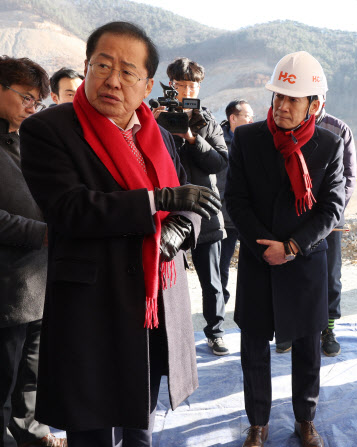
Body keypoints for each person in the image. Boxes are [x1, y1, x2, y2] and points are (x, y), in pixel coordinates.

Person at [19, 22, 221, 446]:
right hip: (92, 304)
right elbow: (70, 208)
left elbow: (196, 204)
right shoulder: (50, 129)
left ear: (147, 85)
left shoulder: (162, 137)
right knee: (90, 423)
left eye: (127, 71)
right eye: (102, 65)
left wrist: (178, 231)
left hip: (154, 302)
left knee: (140, 421)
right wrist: (159, 201)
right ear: (87, 66)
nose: (112, 80)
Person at [225, 51, 344, 447]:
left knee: (308, 346)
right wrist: (266, 248)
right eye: (278, 97)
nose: (282, 106)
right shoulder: (247, 138)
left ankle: (304, 420)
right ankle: (257, 423)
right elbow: (236, 200)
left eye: (293, 99)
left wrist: (292, 245)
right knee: (254, 346)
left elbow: (332, 207)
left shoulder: (329, 144)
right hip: (260, 260)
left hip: (305, 260)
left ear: (315, 104)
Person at [0, 56, 66, 447]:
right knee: (3, 376)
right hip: (7, 284)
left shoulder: (29, 141)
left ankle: (32, 433)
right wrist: (43, 234)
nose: (31, 107)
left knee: (32, 370)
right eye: (26, 97)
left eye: (37, 101)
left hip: (40, 279)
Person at [154, 57, 230, 356]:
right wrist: (154, 125)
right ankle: (173, 336)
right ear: (170, 84)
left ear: (199, 86)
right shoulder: (152, 115)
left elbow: (220, 162)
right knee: (170, 281)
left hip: (204, 212)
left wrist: (190, 136)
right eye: (181, 84)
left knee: (212, 282)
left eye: (192, 84)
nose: (187, 89)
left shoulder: (207, 120)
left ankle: (216, 332)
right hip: (168, 212)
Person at [275, 105, 356, 357]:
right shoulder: (283, 126)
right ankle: (287, 329)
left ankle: (328, 329)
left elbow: (349, 177)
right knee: (288, 272)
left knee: (330, 275)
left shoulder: (339, 129)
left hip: (328, 220)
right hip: (292, 218)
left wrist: (331, 214)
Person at [217, 99, 254, 307]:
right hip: (226, 216)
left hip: (251, 216)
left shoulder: (255, 140)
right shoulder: (218, 141)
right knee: (222, 266)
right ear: (233, 118)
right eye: (247, 116)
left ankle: (249, 307)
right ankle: (220, 310)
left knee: (252, 265)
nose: (251, 119)